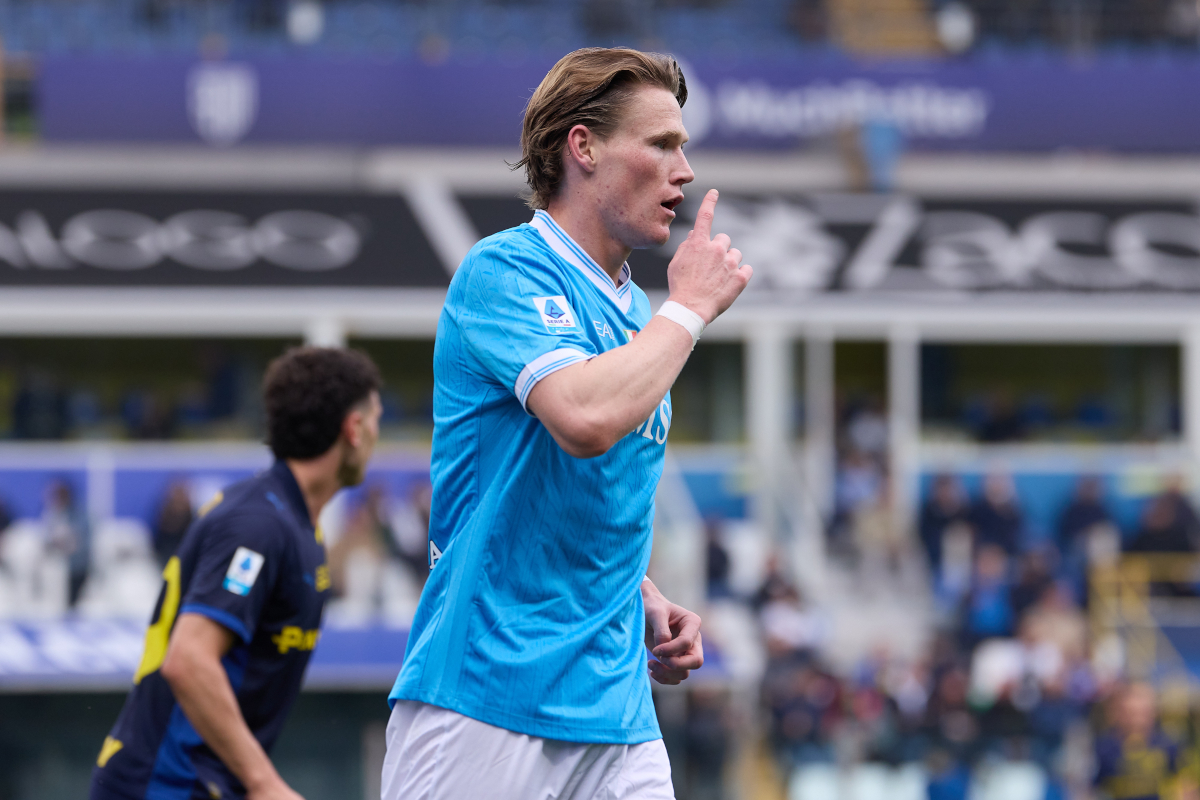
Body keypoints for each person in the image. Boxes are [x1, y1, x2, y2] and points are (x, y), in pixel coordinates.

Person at [383, 47, 751, 800]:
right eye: (662, 144)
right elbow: (583, 419)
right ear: (582, 147)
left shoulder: (630, 312)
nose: (683, 170)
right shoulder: (504, 273)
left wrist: (642, 595)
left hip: (615, 710)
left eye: (684, 147)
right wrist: (688, 310)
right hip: (487, 697)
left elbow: (581, 485)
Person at [89, 347, 382, 800]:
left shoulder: (295, 525)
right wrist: (264, 783)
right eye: (376, 418)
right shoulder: (259, 525)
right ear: (354, 429)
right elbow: (188, 660)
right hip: (163, 786)